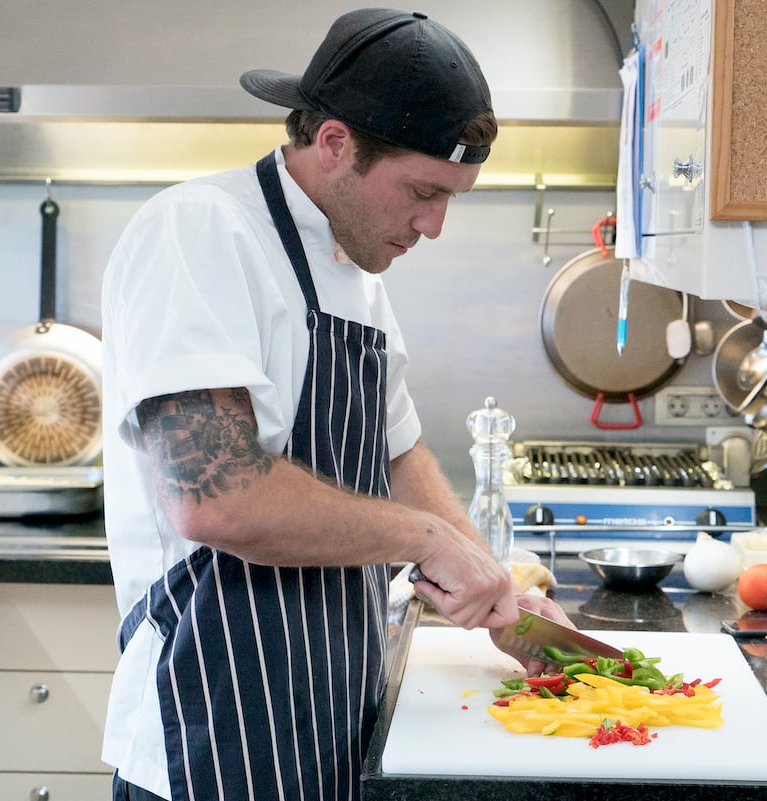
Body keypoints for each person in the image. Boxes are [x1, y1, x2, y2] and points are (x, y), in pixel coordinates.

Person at [100, 8, 569, 800]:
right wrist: (425, 539)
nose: (433, 225)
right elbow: (215, 496)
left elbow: (397, 454)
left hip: (331, 712)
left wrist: (504, 601)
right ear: (335, 143)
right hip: (213, 729)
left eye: (451, 197)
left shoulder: (356, 272)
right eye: (422, 191)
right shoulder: (201, 232)